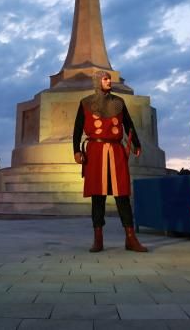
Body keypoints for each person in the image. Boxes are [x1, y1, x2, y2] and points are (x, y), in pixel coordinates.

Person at [73, 70, 147, 252]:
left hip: (116, 151)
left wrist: (136, 143)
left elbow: (128, 124)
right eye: (105, 79)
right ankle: (98, 239)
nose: (109, 81)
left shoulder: (119, 103)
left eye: (109, 79)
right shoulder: (86, 103)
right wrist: (76, 150)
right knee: (98, 196)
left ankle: (131, 238)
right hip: (96, 152)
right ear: (98, 81)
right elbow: (77, 129)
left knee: (122, 195)